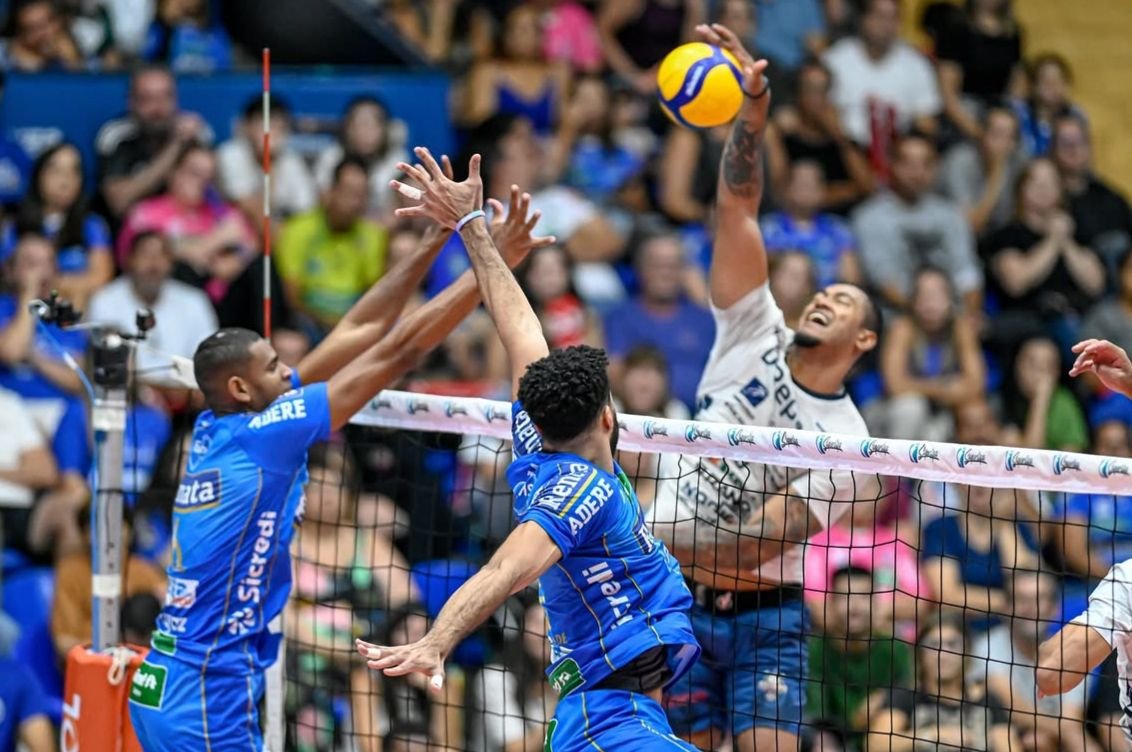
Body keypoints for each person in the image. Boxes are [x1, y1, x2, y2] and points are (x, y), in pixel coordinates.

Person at [127, 169, 551, 751]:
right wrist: (491, 258)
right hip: (204, 693)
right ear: (242, 388)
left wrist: (431, 245)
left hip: (170, 681)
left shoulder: (221, 425)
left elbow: (360, 326)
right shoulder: (268, 433)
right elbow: (401, 347)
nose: (290, 371)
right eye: (276, 366)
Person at [356, 148, 700, 751]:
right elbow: (504, 569)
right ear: (608, 417)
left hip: (615, 707)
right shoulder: (581, 491)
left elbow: (519, 326)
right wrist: (439, 640)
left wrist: (473, 227)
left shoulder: (536, 433)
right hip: (612, 716)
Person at [646, 24, 881, 752]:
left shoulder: (849, 443)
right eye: (822, 292)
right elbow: (738, 211)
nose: (824, 299)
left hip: (767, 617)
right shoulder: (753, 326)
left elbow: (751, 549)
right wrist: (751, 115)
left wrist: (637, 535)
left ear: (862, 341)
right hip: (676, 605)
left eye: (843, 301)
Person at [982, 158, 1105, 353]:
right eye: (1036, 182)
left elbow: (1095, 284)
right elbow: (1017, 282)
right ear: (1021, 188)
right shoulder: (1007, 235)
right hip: (1027, 317)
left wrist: (1067, 243)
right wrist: (1052, 241)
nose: (1044, 189)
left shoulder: (1076, 231)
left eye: (1050, 182)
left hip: (1075, 314)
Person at [853, 133, 981, 315]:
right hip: (895, 317)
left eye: (926, 164)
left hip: (951, 317)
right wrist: (927, 315)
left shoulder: (951, 215)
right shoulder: (869, 217)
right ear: (891, 165)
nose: (917, 172)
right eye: (908, 164)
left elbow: (967, 274)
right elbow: (883, 282)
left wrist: (969, 315)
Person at [970, 569, 1095, 752]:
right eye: (1022, 600)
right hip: (999, 736)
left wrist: (1068, 731)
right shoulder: (988, 647)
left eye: (1039, 599)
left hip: (1056, 740)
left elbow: (1072, 718)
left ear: (1054, 608)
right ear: (1006, 608)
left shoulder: (1070, 651)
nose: (1031, 608)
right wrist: (1069, 732)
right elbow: (1015, 711)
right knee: (1036, 740)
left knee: (1042, 739)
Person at [868, 613, 1015, 752]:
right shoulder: (906, 697)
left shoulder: (987, 700)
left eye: (952, 644)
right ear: (921, 653)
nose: (943, 654)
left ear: (967, 650)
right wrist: (933, 735)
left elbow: (1009, 747)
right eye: (933, 645)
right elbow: (876, 744)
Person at [277, 157, 389, 338]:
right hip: (310, 323)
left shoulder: (373, 235)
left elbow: (372, 295)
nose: (355, 203)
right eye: (349, 193)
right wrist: (328, 323)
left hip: (353, 324)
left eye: (361, 195)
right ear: (330, 192)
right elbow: (293, 298)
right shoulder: (297, 230)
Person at [603, 232, 714, 410]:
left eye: (673, 266)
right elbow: (614, 374)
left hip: (702, 422)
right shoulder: (620, 317)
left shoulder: (705, 320)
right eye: (657, 265)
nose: (665, 273)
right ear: (640, 269)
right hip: (644, 418)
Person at [807, 566, 914, 747]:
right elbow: (815, 718)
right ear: (831, 603)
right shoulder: (815, 649)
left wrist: (886, 697)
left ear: (876, 603)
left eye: (863, 597)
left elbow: (908, 700)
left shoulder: (895, 648)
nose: (854, 606)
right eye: (845, 597)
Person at [877, 266, 986, 441]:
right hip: (895, 412)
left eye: (937, 295)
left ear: (950, 299)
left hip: (942, 411)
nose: (930, 302)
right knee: (911, 407)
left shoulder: (960, 328)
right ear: (913, 300)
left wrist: (920, 387)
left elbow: (975, 384)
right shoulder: (903, 327)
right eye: (924, 295)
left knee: (968, 414)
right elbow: (894, 385)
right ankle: (893, 466)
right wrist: (943, 387)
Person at [87, 230, 218, 375]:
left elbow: (208, 359)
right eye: (145, 255)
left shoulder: (195, 301)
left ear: (171, 263)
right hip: (127, 390)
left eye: (161, 256)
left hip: (183, 393)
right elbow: (104, 363)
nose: (153, 264)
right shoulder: (105, 301)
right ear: (130, 260)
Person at [4, 142, 113, 310]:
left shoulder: (92, 225)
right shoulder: (15, 226)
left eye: (74, 172)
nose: (65, 180)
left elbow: (100, 277)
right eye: (56, 171)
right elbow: (7, 278)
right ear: (38, 176)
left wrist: (49, 283)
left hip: (75, 312)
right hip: (22, 310)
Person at [52, 503, 166, 662]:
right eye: (97, 528)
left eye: (116, 526)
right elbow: (64, 642)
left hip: (142, 668)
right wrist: (115, 649)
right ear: (84, 534)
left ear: (129, 531)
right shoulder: (70, 573)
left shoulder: (145, 571)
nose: (108, 535)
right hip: (91, 666)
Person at [822, 0, 942, 150]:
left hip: (898, 152)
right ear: (863, 19)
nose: (886, 25)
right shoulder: (835, 59)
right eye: (880, 16)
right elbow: (823, 110)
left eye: (893, 18)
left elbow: (927, 120)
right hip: (844, 147)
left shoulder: (917, 64)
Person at [97, 64, 213, 218]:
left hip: (186, 228)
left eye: (164, 98)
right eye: (147, 99)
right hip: (134, 231)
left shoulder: (196, 132)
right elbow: (118, 201)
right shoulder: (115, 135)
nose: (157, 109)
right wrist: (175, 146)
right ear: (131, 102)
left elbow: (213, 199)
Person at [765, 58, 875, 215]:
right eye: (810, 90)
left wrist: (839, 135)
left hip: (839, 220)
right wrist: (840, 192)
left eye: (823, 91)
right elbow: (780, 190)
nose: (817, 99)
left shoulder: (841, 136)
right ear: (797, 94)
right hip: (791, 217)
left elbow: (867, 187)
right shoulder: (783, 134)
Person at [461, 4, 571, 135]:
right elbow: (481, 123)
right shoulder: (488, 71)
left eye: (527, 29)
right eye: (513, 29)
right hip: (500, 149)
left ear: (542, 35)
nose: (518, 36)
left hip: (546, 150)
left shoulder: (558, 72)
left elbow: (565, 124)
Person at [1051, 115, 1132, 279]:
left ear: (1090, 148)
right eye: (1065, 142)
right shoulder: (1042, 199)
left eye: (1079, 141)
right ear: (1052, 149)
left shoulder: (1112, 199)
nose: (1073, 148)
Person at [760, 159, 862, 290]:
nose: (807, 190)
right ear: (786, 189)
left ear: (823, 191)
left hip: (827, 301)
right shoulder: (767, 227)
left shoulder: (838, 228)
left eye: (814, 184)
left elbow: (851, 280)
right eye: (801, 184)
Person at [932, 0, 1023, 143]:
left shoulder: (1012, 31)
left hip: (999, 111)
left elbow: (1016, 86)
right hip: (963, 113)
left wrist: (1007, 124)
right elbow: (948, 95)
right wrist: (978, 133)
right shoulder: (955, 27)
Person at [217, 96, 317, 222]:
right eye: (265, 126)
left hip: (281, 229)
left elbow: (307, 210)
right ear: (247, 127)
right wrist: (270, 162)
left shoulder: (291, 159)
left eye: (279, 128)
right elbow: (252, 209)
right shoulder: (231, 154)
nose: (271, 134)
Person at [313, 96, 410, 221]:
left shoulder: (398, 161)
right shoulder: (331, 157)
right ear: (347, 129)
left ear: (385, 130)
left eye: (372, 124)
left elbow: (401, 211)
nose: (364, 131)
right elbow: (322, 203)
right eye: (358, 124)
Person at [938, 104, 1025, 237]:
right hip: (954, 237)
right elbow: (971, 226)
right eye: (996, 134)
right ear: (982, 134)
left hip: (1000, 237)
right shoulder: (960, 162)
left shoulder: (1019, 161)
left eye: (1010, 137)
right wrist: (996, 176)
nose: (1003, 143)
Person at [1012, 53, 1085, 157]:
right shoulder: (1018, 113)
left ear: (1067, 86)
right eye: (1045, 80)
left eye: (1058, 80)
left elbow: (1081, 160)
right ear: (1033, 85)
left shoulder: (1075, 116)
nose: (1052, 85)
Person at [142, 0, 232, 73]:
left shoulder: (215, 33)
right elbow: (150, 61)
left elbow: (223, 65)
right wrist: (167, 25)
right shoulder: (159, 31)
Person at [0, 0, 84, 72]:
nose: (42, 35)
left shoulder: (85, 49)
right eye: (31, 29)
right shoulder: (5, 56)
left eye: (47, 24)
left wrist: (74, 62)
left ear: (61, 21)